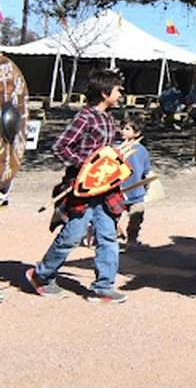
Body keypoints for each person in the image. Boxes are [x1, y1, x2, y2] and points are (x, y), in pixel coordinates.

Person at [26, 68, 129, 302]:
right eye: (117, 90)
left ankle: (103, 286)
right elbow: (60, 147)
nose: (120, 95)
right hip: (82, 188)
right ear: (105, 93)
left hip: (105, 189)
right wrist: (86, 166)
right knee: (73, 235)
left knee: (108, 236)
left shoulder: (109, 118)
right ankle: (41, 275)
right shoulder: (85, 117)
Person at [118, 116, 152, 250]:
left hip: (136, 191)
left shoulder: (141, 150)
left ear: (137, 133)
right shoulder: (117, 148)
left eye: (127, 129)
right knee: (113, 216)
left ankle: (132, 240)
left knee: (136, 217)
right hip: (119, 190)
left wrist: (147, 184)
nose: (123, 131)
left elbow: (146, 170)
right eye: (122, 128)